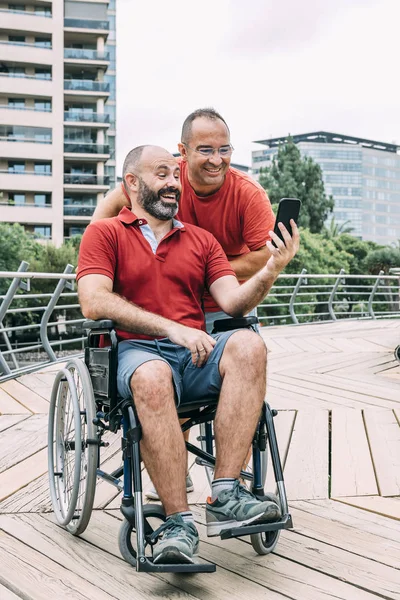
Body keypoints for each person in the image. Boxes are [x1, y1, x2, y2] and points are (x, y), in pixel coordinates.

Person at [77, 145, 299, 564]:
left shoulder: (202, 241)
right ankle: (178, 522)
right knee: (152, 376)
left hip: (194, 355)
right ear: (132, 184)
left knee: (250, 344)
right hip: (137, 353)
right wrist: (171, 328)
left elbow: (232, 302)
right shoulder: (104, 234)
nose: (173, 183)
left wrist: (272, 267)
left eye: (175, 177)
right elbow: (93, 301)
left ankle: (227, 492)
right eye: (162, 174)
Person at [92, 108, 276, 498]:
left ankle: (227, 487)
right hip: (163, 310)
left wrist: (211, 270)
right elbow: (111, 207)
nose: (216, 159)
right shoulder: (148, 189)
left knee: (245, 356)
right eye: (205, 150)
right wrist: (97, 253)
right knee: (161, 378)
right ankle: (174, 473)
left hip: (221, 288)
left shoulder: (245, 195)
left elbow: (261, 256)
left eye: (224, 149)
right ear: (184, 152)